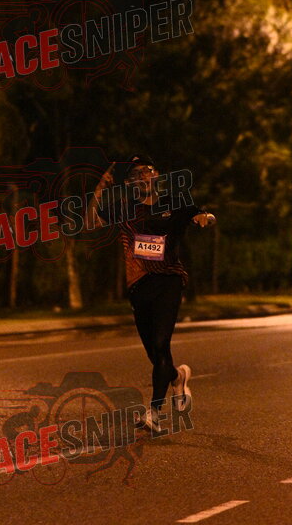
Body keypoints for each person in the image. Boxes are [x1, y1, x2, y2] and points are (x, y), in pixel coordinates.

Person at [85, 153, 216, 433]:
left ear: (156, 176)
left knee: (160, 342)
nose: (143, 177)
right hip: (138, 286)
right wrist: (99, 190)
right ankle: (178, 377)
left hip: (169, 279)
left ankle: (154, 412)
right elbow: (90, 223)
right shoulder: (125, 209)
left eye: (147, 171)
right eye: (136, 175)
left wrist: (204, 218)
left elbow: (200, 214)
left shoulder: (174, 203)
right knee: (155, 354)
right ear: (131, 183)